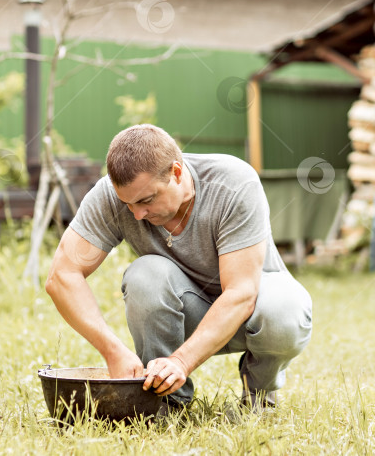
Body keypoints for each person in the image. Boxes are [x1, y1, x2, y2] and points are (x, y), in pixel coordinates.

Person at [45, 124, 312, 410]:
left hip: (251, 316)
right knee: (145, 275)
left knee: (284, 311)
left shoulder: (234, 183)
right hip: (187, 313)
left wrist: (181, 362)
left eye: (147, 200)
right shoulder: (111, 197)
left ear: (176, 172)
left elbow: (241, 294)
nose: (137, 214)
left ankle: (259, 396)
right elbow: (62, 276)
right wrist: (112, 350)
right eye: (128, 203)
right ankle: (166, 401)